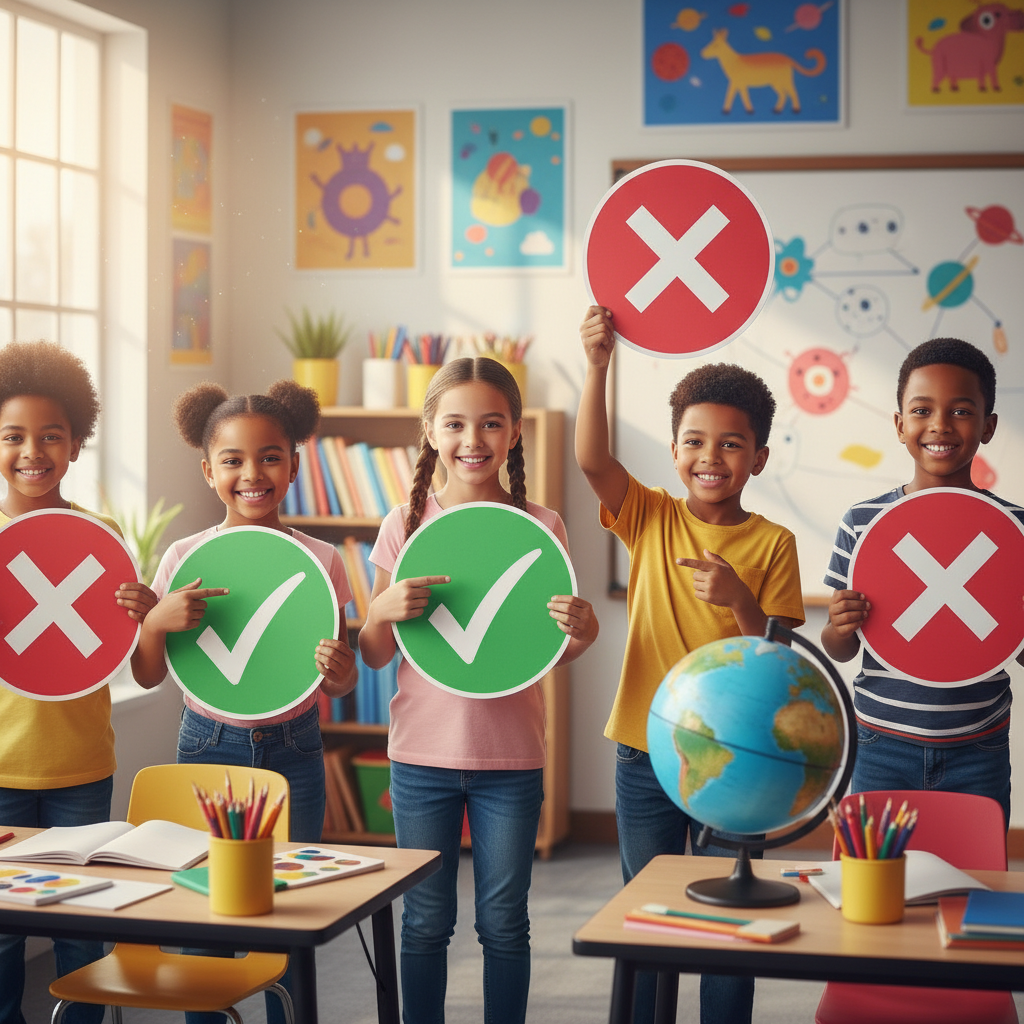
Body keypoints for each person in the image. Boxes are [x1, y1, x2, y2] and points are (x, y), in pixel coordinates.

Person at [575, 306, 805, 1024]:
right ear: (674, 449)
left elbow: (778, 661)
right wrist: (597, 364)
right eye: (695, 441)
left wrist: (739, 600)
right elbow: (591, 459)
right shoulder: (649, 514)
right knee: (647, 905)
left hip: (741, 759)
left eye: (732, 444)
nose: (712, 456)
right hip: (646, 747)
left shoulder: (774, 545)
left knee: (729, 917)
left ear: (759, 457)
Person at [358, 356, 598, 1024]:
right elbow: (374, 654)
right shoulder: (400, 526)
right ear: (431, 429)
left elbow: (549, 651)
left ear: (515, 432)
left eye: (491, 424)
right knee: (426, 919)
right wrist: (381, 612)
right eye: (457, 423)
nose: (473, 439)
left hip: (511, 759)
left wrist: (583, 629)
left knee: (504, 921)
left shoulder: (542, 526)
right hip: (420, 759)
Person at [132, 379, 357, 1024]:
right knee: (207, 916)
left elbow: (335, 682)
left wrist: (340, 670)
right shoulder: (182, 556)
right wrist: (156, 622)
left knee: (292, 910)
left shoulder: (321, 561)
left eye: (269, 457)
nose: (251, 474)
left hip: (296, 751)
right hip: (208, 746)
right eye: (232, 460)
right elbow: (147, 675)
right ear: (208, 471)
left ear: (293, 462)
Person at [0, 340, 157, 1024]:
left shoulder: (99, 537)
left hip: (80, 769)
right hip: (1, 770)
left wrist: (141, 615)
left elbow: (116, 651)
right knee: (1, 937)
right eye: (13, 436)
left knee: (81, 928)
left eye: (51, 436)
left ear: (75, 444)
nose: (33, 451)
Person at [822, 337, 1023, 828]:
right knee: (875, 889)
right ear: (899, 425)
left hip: (979, 744)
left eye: (960, 410)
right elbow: (839, 648)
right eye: (921, 410)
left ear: (988, 426)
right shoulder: (863, 522)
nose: (939, 425)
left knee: (972, 888)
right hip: (880, 743)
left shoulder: (1015, 529)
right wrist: (840, 627)